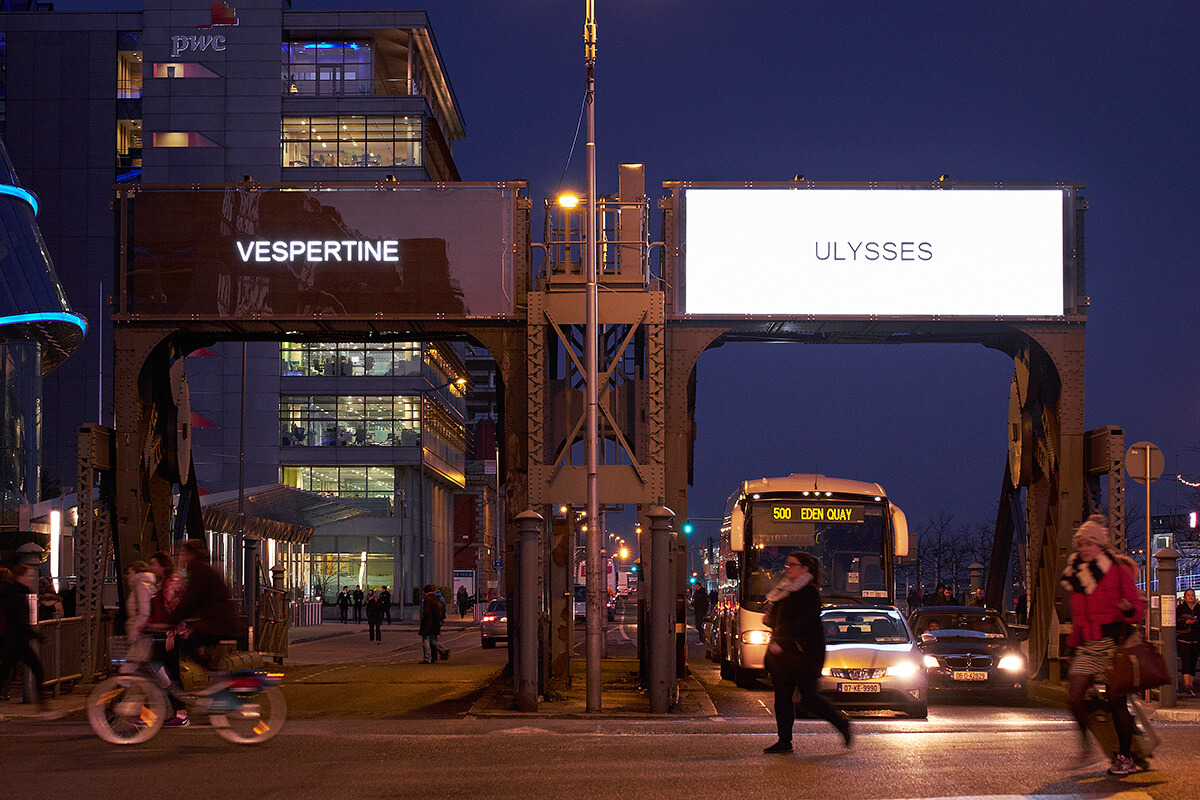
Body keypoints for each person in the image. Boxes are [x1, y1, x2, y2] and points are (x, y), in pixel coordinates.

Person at [1060, 514, 1144, 776]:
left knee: (1117, 701)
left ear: (1100, 546)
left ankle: (1125, 756)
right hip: (1086, 645)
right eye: (1081, 543)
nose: (1084, 548)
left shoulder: (1117, 570)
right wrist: (1071, 648)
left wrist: (1128, 609)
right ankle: (1087, 750)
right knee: (1074, 697)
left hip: (1112, 645)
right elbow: (1078, 617)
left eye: (1089, 543)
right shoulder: (1075, 575)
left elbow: (1137, 607)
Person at [760, 551, 852, 753]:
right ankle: (784, 741)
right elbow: (778, 620)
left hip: (803, 654)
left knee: (809, 698)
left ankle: (842, 724)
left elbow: (805, 623)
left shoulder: (808, 593)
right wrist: (770, 620)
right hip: (782, 653)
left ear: (805, 569)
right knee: (782, 698)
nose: (788, 568)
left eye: (793, 565)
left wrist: (781, 631)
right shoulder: (783, 591)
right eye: (787, 564)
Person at [167, 539, 240, 674]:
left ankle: (213, 670)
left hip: (217, 624)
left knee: (187, 645)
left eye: (183, 553)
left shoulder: (200, 572)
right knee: (194, 643)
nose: (181, 557)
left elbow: (190, 601)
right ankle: (214, 671)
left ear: (191, 555)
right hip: (221, 622)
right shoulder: (204, 570)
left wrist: (170, 620)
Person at [0, 564, 53, 715]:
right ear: (20, 577)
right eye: (29, 576)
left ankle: (43, 707)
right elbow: (18, 621)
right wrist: (37, 635)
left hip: (15, 640)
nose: (31, 578)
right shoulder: (17, 595)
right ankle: (43, 707)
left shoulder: (18, 593)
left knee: (5, 673)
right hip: (15, 640)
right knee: (36, 671)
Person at [147, 550, 189, 726]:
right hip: (167, 633)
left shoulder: (171, 583)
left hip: (170, 635)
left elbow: (173, 610)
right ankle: (178, 711)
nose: (152, 568)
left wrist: (171, 633)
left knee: (166, 672)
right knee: (166, 672)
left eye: (154, 564)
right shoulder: (167, 582)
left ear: (162, 565)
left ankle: (180, 712)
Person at [123, 560, 158, 666]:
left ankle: (170, 683)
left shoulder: (140, 586)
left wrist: (133, 635)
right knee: (149, 667)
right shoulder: (146, 585)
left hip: (140, 635)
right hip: (142, 633)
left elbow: (143, 613)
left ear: (137, 574)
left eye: (129, 573)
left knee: (129, 667)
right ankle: (169, 683)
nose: (126, 576)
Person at [1176, 588, 1199, 697]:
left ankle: (1190, 684)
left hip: (1195, 639)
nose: (1191, 597)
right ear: (1185, 597)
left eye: (1192, 595)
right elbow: (1176, 622)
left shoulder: (1198, 608)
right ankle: (1187, 684)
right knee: (1186, 661)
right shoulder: (1180, 608)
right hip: (1183, 638)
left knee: (1193, 662)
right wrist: (1186, 622)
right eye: (1189, 595)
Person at [419, 584, 449, 663]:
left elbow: (427, 612)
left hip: (429, 622)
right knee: (433, 639)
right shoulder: (436, 598)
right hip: (436, 621)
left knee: (425, 639)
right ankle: (443, 649)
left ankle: (427, 658)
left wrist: (424, 621)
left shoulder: (427, 599)